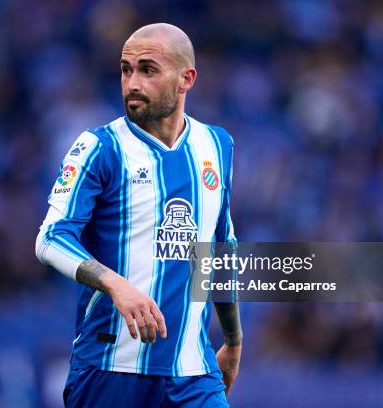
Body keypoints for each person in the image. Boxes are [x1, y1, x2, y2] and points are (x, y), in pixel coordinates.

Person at [36, 23, 242, 408]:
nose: (132, 82)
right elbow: (49, 238)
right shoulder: (99, 147)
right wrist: (115, 284)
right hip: (110, 370)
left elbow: (220, 247)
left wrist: (232, 339)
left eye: (147, 70)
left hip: (194, 375)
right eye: (126, 69)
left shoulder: (218, 145)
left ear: (186, 79)